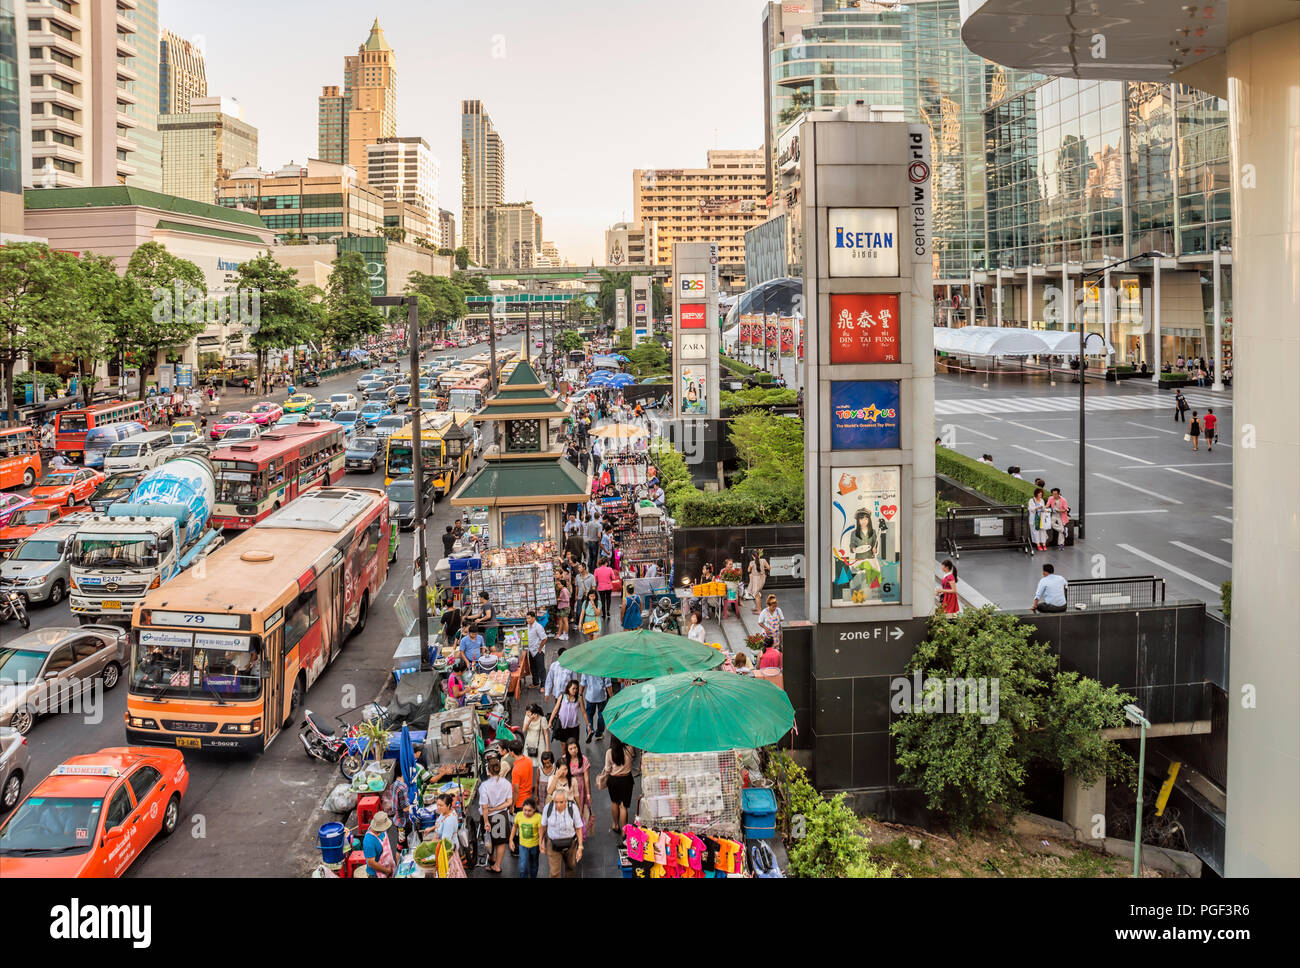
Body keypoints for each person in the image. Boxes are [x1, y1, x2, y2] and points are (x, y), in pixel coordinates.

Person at [479, 758, 514, 874]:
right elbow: (509, 802)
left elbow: (484, 807)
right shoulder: (507, 783)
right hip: (502, 815)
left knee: (490, 840)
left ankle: (492, 858)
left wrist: (486, 821)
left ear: (488, 771)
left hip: (488, 816)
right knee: (500, 842)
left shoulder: (484, 786)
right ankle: (497, 865)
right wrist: (497, 808)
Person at [540, 789, 584, 879]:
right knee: (554, 873)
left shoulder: (573, 808)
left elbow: (578, 828)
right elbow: (543, 826)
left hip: (571, 844)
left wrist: (580, 847)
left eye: (561, 802)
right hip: (553, 844)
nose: (558, 805)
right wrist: (541, 841)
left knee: (570, 868)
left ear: (566, 801)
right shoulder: (547, 808)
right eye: (556, 802)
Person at [604, 735, 635, 834]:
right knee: (623, 806)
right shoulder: (630, 748)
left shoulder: (609, 752)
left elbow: (607, 769)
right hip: (626, 779)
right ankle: (624, 831)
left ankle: (616, 825)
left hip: (614, 780)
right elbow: (633, 758)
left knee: (614, 802)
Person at [563, 738, 594, 836]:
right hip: (569, 787)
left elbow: (586, 778)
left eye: (575, 748)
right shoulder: (564, 759)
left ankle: (579, 830)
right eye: (571, 749)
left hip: (581, 787)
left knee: (580, 808)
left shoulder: (584, 759)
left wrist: (588, 793)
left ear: (578, 748)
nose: (573, 750)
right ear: (567, 750)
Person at [549, 679, 589, 751]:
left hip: (574, 728)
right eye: (573, 688)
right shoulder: (562, 696)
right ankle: (565, 761)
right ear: (568, 688)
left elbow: (584, 712)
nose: (575, 690)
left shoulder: (579, 698)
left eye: (576, 688)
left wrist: (588, 725)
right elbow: (555, 709)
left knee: (574, 747)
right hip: (563, 727)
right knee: (564, 746)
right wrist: (550, 722)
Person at [509, 798, 542, 879]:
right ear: (522, 808)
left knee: (533, 865)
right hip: (523, 846)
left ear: (534, 809)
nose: (526, 813)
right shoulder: (519, 815)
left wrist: (541, 844)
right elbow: (514, 827)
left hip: (535, 846)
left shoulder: (538, 817)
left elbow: (541, 832)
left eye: (529, 810)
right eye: (525, 810)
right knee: (523, 867)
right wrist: (510, 840)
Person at [361, 810, 395, 878]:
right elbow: (371, 863)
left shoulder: (381, 831)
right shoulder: (369, 841)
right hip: (376, 874)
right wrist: (386, 870)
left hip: (387, 867)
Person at [580, 671, 611, 743]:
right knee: (601, 715)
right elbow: (608, 684)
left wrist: (580, 694)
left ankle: (590, 730)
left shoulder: (586, 667)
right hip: (601, 696)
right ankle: (599, 734)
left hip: (590, 696)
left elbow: (583, 682)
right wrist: (611, 696)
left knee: (589, 714)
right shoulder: (604, 668)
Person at [509, 740, 534, 815]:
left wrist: (512, 805)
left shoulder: (516, 770)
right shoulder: (529, 760)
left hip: (520, 803)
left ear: (512, 752)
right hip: (529, 797)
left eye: (509, 751)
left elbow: (516, 791)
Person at [524, 609, 547, 688]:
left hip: (538, 651)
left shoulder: (538, 627)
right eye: (526, 618)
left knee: (541, 668)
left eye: (529, 618)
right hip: (531, 650)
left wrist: (540, 648)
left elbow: (544, 638)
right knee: (533, 668)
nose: (527, 620)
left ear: (534, 618)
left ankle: (543, 685)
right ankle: (535, 683)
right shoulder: (528, 626)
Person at [593, 555, 618, 621]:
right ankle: (608, 610)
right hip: (608, 586)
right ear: (606, 563)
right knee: (608, 599)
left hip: (601, 587)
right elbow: (613, 578)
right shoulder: (610, 569)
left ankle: (603, 613)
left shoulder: (596, 570)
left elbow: (595, 580)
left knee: (602, 600)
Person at [1028, 487, 1050, 552]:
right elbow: (1030, 509)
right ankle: (1038, 544)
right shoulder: (1031, 500)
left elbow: (1043, 508)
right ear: (1036, 494)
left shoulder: (1042, 500)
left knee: (1043, 531)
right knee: (1036, 531)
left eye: (1041, 494)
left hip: (1041, 518)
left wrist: (1046, 509)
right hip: (1035, 518)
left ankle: (1044, 544)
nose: (1040, 495)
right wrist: (1037, 508)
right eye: (1039, 494)